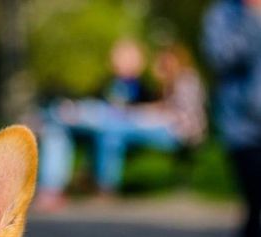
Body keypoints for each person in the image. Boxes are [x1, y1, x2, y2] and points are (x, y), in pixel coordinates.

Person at [37, 41, 206, 210]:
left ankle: (100, 185)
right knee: (59, 129)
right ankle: (53, 188)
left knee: (110, 129)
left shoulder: (182, 80)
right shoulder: (111, 82)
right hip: (120, 124)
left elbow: (176, 115)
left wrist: (143, 112)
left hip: (178, 132)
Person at [203, 0, 261, 237]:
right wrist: (253, 18)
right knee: (256, 206)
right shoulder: (223, 15)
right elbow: (221, 56)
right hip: (245, 132)